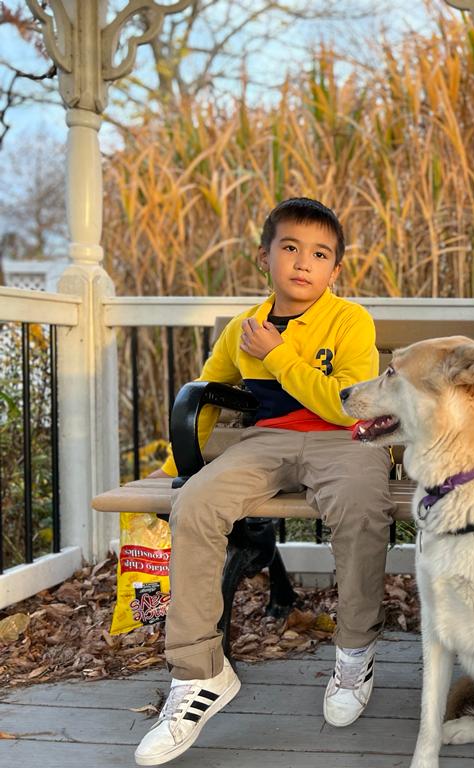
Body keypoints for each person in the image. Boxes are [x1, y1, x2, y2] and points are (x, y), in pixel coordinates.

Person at [134, 198, 395, 766]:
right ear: (264, 256)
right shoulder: (242, 329)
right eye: (291, 248)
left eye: (320, 254)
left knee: (359, 507)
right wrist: (174, 469)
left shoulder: (349, 321)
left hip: (342, 442)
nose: (303, 262)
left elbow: (347, 406)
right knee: (195, 505)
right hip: (266, 443)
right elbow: (207, 396)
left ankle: (354, 651)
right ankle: (199, 674)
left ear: (335, 270)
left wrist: (278, 357)